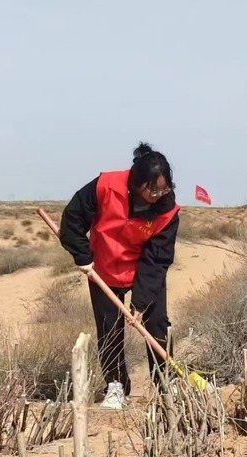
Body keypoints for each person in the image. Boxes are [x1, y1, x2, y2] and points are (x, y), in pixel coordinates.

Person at [58, 142, 180, 410]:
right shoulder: (105, 186)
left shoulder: (167, 211)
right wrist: (82, 256)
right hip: (104, 266)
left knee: (157, 324)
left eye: (164, 189)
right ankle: (116, 385)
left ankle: (165, 383)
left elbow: (158, 258)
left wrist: (140, 302)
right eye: (152, 190)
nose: (159, 195)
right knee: (110, 328)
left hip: (144, 269)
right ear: (137, 184)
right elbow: (72, 219)